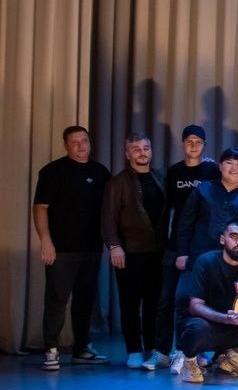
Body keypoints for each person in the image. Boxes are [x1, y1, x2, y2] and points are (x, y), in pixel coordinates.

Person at [33, 125, 113, 371]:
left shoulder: (100, 172)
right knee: (57, 300)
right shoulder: (52, 171)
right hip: (61, 249)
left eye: (84, 141)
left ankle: (81, 348)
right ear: (66, 145)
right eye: (75, 142)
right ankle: (51, 350)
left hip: (92, 248)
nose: (81, 146)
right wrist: (45, 240)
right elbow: (40, 208)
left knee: (85, 300)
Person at [173, 220, 238, 384]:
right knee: (196, 327)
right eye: (234, 236)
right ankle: (189, 362)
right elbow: (195, 306)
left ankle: (231, 356)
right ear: (223, 239)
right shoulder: (206, 262)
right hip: (210, 326)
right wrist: (225, 318)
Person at [102, 134, 167, 370]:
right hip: (129, 251)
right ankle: (133, 350)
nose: (142, 152)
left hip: (157, 252)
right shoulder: (117, 183)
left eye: (146, 148)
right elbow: (108, 217)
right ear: (127, 153)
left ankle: (152, 347)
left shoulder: (160, 178)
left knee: (153, 303)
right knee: (130, 304)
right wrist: (114, 245)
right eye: (136, 149)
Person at [157, 125, 220, 366]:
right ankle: (164, 351)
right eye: (189, 142)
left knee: (199, 300)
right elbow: (167, 209)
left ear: (204, 145)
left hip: (203, 245)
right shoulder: (174, 172)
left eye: (198, 142)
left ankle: (196, 350)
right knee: (167, 299)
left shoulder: (212, 170)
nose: (193, 146)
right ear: (183, 144)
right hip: (176, 244)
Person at [174, 147, 238, 271]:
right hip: (201, 257)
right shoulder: (202, 190)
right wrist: (182, 253)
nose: (234, 168)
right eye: (229, 163)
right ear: (220, 166)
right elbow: (186, 223)